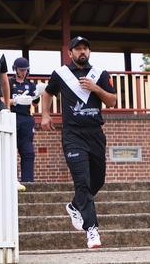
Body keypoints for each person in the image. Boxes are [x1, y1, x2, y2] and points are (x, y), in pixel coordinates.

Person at [40, 36, 117, 249]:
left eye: (85, 48)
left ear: (89, 52)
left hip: (95, 133)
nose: (82, 52)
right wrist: (45, 115)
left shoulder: (100, 74)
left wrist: (96, 89)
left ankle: (75, 205)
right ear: (70, 53)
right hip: (73, 134)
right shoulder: (61, 74)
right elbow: (47, 93)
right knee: (82, 181)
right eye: (78, 49)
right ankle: (92, 230)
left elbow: (112, 101)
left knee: (97, 180)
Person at [8, 57, 42, 187]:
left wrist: (38, 94)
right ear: (15, 69)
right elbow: (3, 100)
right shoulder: (10, 83)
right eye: (21, 70)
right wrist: (15, 101)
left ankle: (28, 182)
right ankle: (11, 181)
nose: (23, 72)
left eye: (25, 70)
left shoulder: (30, 84)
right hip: (11, 117)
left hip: (26, 119)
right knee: (10, 151)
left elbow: (34, 103)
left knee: (28, 152)